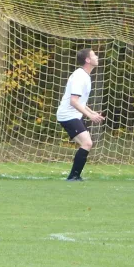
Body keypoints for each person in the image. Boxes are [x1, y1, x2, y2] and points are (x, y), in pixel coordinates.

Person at [56, 48, 105, 181]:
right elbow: (73, 101)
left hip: (73, 115)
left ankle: (74, 176)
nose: (97, 57)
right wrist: (90, 116)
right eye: (94, 55)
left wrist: (91, 112)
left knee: (86, 144)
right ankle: (74, 176)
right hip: (67, 115)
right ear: (87, 60)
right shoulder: (80, 76)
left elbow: (80, 101)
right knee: (87, 143)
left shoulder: (85, 75)